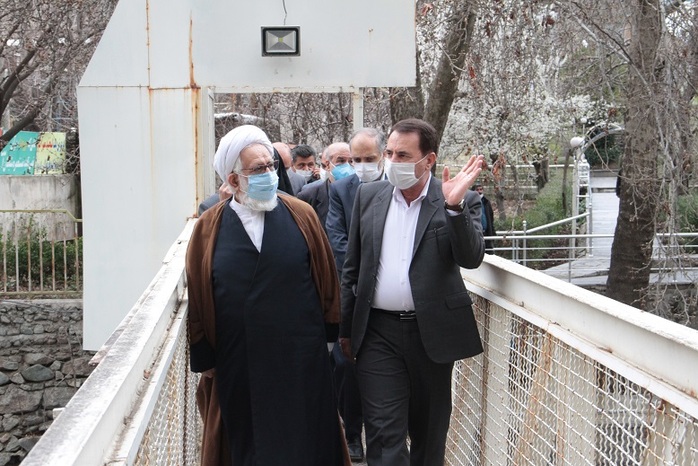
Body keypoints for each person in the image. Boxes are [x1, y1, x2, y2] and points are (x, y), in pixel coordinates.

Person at [186, 125, 350, 466]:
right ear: (234, 180)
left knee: (307, 441)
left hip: (302, 357)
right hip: (240, 360)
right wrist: (205, 358)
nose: (269, 174)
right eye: (258, 169)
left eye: (271, 166)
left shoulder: (301, 215)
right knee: (249, 444)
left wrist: (330, 337)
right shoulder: (208, 228)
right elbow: (200, 297)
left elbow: (326, 279)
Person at [339, 118, 485, 466]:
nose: (392, 161)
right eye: (389, 153)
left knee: (429, 435)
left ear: (428, 160)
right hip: (378, 334)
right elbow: (352, 267)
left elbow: (471, 258)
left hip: (431, 334)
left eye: (403, 155)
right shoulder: (369, 196)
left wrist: (453, 208)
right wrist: (345, 329)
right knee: (383, 433)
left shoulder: (456, 198)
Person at [325, 128, 386, 462]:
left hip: (389, 297)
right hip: (351, 291)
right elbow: (337, 237)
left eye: (369, 159)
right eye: (356, 159)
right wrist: (365, 271)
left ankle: (384, 437)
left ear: (383, 156)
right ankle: (352, 435)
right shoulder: (342, 190)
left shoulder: (396, 187)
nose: (362, 165)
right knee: (346, 365)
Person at [296, 142, 353, 228]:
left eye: (351, 161)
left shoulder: (362, 192)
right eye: (341, 161)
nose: (347, 166)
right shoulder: (309, 196)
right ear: (328, 165)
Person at [473, 183, 495, 253]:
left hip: (486, 232)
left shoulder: (486, 202)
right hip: (475, 233)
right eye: (477, 190)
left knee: (489, 253)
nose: (479, 191)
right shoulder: (470, 202)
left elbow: (491, 218)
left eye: (481, 189)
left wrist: (492, 232)